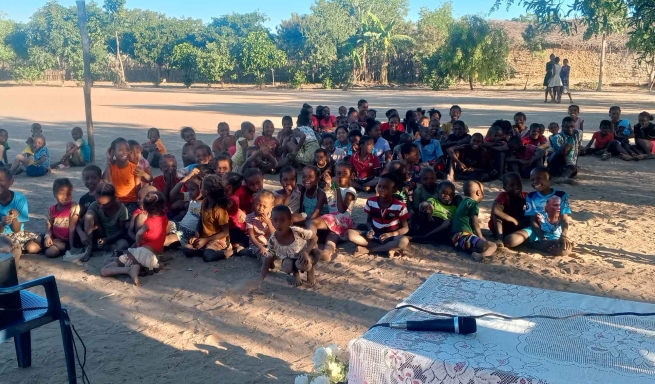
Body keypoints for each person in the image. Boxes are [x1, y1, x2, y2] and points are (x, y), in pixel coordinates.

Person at [101, 191, 168, 286]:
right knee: (109, 260)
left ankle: (128, 270)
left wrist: (138, 243)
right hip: (152, 259)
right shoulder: (164, 217)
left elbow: (139, 234)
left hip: (142, 253)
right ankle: (132, 266)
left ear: (145, 209)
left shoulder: (149, 222)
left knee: (104, 270)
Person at [504, 167, 574, 256]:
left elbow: (564, 219)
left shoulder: (561, 195)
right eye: (532, 179)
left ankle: (536, 244)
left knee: (564, 252)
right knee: (510, 241)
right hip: (535, 231)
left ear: (549, 178)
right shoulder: (531, 196)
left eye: (539, 178)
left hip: (554, 233)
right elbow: (533, 220)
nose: (535, 182)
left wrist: (563, 236)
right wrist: (542, 239)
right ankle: (536, 244)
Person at [255, 205, 320, 288]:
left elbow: (315, 237)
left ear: (290, 222)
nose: (278, 224)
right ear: (271, 221)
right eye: (275, 220)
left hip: (307, 255)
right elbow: (267, 261)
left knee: (303, 265)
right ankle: (295, 274)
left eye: (282, 220)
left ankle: (310, 270)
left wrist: (306, 252)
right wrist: (259, 281)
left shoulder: (297, 232)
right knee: (286, 265)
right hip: (292, 258)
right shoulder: (272, 240)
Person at [346, 174, 410, 258]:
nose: (381, 189)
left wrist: (390, 234)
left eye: (386, 187)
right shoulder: (371, 201)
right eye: (379, 186)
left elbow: (405, 228)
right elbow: (368, 221)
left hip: (390, 237)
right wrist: (370, 230)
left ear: (394, 190)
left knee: (403, 241)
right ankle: (387, 249)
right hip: (375, 235)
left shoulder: (400, 206)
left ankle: (370, 250)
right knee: (349, 233)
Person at [310, 163, 357, 262]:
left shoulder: (350, 191)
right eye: (338, 173)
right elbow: (328, 202)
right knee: (332, 236)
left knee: (311, 223)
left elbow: (341, 209)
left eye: (345, 174)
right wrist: (328, 185)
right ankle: (327, 253)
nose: (341, 176)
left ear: (352, 176)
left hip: (341, 218)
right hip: (337, 223)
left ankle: (312, 247)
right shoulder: (333, 188)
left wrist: (337, 189)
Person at [184, 174, 233, 262]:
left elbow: (225, 232)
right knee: (187, 248)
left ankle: (230, 251)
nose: (200, 189)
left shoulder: (219, 209)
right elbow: (200, 220)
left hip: (218, 240)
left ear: (206, 192)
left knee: (207, 257)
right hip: (205, 238)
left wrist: (206, 240)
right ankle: (205, 250)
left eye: (201, 187)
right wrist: (196, 236)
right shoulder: (205, 202)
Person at [80, 182, 130, 261]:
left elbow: (122, 230)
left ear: (114, 198)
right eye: (99, 203)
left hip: (115, 237)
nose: (101, 207)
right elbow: (80, 222)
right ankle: (89, 248)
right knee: (89, 214)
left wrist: (107, 240)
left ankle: (100, 247)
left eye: (106, 204)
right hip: (101, 232)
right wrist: (81, 234)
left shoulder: (122, 209)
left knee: (123, 245)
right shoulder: (94, 205)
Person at [451, 180, 497, 262]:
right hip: (464, 236)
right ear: (479, 192)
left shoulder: (463, 202)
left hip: (456, 240)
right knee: (486, 245)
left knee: (491, 244)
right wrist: (480, 236)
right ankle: (480, 255)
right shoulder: (473, 203)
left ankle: (472, 251)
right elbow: (475, 222)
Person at [0, 168, 40, 259]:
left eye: (1, 180)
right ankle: (13, 250)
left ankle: (15, 249)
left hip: (17, 234)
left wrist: (14, 218)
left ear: (11, 182)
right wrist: (2, 224)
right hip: (1, 235)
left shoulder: (20, 199)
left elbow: (17, 230)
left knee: (34, 248)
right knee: (6, 245)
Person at [489, 173, 528, 247]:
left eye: (518, 184)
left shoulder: (525, 196)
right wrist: (513, 220)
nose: (516, 187)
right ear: (505, 188)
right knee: (497, 214)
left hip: (515, 226)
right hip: (503, 226)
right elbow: (495, 210)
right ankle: (499, 237)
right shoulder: (503, 196)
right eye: (512, 185)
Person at [44, 178, 80, 258]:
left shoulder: (74, 207)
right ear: (54, 193)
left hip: (68, 241)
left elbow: (72, 228)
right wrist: (47, 236)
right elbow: (49, 227)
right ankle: (48, 244)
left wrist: (71, 247)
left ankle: (56, 245)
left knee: (62, 247)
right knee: (51, 253)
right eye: (62, 194)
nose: (65, 197)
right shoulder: (52, 210)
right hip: (56, 239)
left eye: (68, 194)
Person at [103, 138, 140, 215]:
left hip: (131, 202)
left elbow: (138, 189)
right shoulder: (111, 167)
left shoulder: (135, 168)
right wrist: (109, 161)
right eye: (120, 150)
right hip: (115, 202)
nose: (125, 152)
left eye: (127, 149)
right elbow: (106, 182)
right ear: (113, 152)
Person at [169, 175, 203, 247]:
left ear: (202, 189)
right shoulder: (191, 197)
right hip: (179, 225)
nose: (190, 192)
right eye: (188, 189)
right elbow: (173, 194)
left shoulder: (205, 203)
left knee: (165, 240)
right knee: (163, 225)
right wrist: (186, 178)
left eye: (192, 189)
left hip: (188, 232)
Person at [222, 172, 248, 254]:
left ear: (229, 187)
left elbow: (223, 206)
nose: (220, 182)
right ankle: (236, 245)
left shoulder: (233, 199)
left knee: (247, 242)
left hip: (232, 228)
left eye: (222, 181)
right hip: (225, 227)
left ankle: (239, 247)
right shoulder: (225, 196)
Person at [244, 190, 275, 259]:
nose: (261, 208)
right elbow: (252, 237)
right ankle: (265, 265)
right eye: (258, 204)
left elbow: (275, 235)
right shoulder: (250, 217)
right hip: (257, 245)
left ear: (271, 207)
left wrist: (269, 223)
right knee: (264, 255)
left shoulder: (273, 217)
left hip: (270, 244)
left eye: (265, 206)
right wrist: (260, 247)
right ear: (254, 203)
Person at [76, 165, 102, 246]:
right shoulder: (83, 199)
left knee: (90, 214)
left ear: (100, 178)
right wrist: (81, 233)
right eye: (87, 178)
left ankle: (89, 248)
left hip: (99, 231)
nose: (90, 181)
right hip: (85, 231)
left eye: (94, 178)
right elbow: (78, 220)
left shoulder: (103, 196)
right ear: (83, 179)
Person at [548, 117, 579, 183]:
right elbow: (559, 153)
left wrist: (574, 164)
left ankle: (562, 178)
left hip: (568, 162)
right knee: (568, 145)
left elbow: (577, 150)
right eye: (567, 127)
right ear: (562, 127)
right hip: (557, 161)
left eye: (572, 126)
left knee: (573, 169)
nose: (570, 129)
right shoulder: (557, 137)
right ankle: (561, 175)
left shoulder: (577, 134)